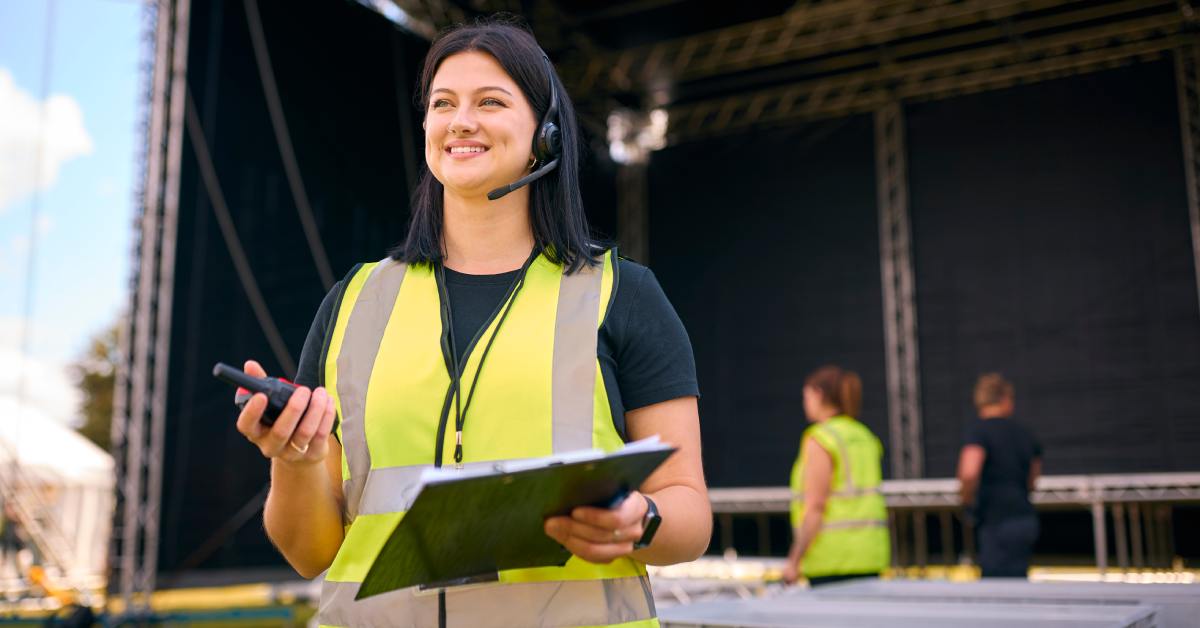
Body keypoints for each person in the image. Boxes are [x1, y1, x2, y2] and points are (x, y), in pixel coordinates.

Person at [234, 17, 710, 628]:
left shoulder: (623, 294)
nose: (461, 121)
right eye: (442, 104)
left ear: (545, 133)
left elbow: (689, 515)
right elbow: (309, 554)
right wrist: (294, 460)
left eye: (490, 102)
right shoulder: (354, 300)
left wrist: (640, 519)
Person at [782, 365, 889, 587]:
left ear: (818, 394)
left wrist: (794, 561)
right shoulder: (864, 435)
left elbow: (815, 508)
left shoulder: (821, 439)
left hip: (831, 560)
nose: (805, 403)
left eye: (807, 396)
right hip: (871, 556)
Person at [958, 373, 1042, 578]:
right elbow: (1033, 480)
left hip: (995, 520)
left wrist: (967, 501)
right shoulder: (1025, 434)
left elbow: (969, 472)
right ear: (1005, 400)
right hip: (1024, 518)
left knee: (996, 589)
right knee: (1018, 582)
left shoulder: (978, 432)